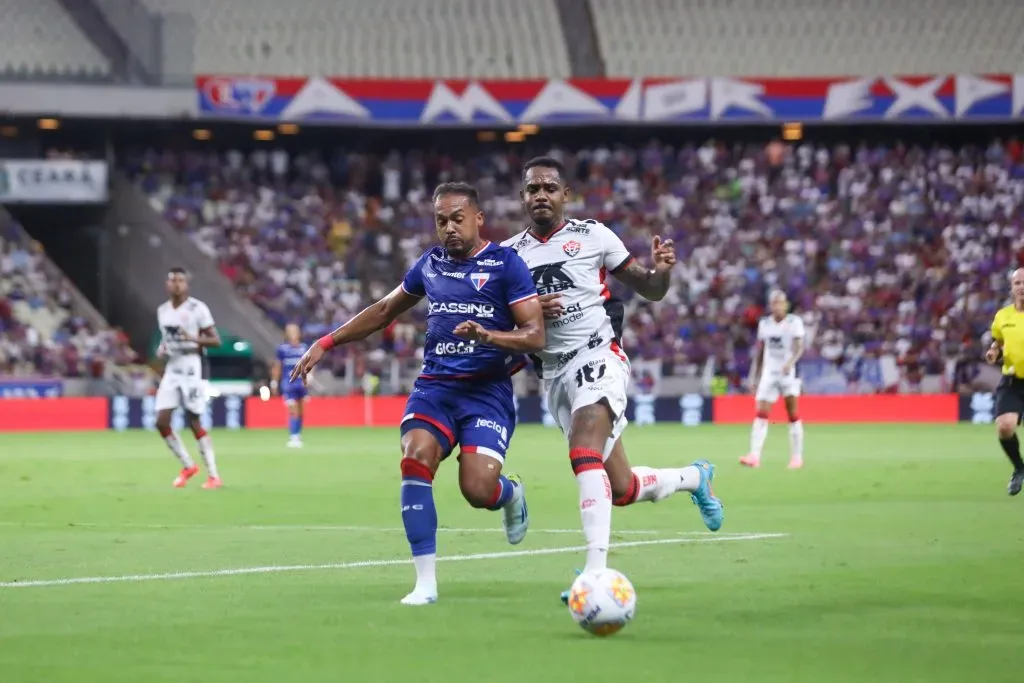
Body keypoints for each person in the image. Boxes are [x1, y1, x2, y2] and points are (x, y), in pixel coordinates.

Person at [291, 182, 545, 605]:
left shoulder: (506, 264)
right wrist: (326, 343)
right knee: (415, 456)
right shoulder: (429, 265)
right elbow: (384, 310)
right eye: (441, 220)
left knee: (478, 490)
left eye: (457, 219)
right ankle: (425, 583)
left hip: (486, 392)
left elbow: (535, 336)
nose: (448, 228)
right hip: (436, 388)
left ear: (478, 219)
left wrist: (490, 336)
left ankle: (510, 494)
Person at [500, 156, 723, 604]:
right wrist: (529, 311)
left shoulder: (593, 236)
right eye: (532, 189)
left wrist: (662, 270)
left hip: (598, 357)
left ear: (565, 195)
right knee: (621, 488)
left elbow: (650, 287)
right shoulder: (508, 255)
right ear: (523, 197)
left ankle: (595, 575)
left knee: (584, 451)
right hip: (555, 376)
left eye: (549, 187)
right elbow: (502, 319)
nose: (540, 195)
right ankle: (694, 478)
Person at [154, 267, 223, 490]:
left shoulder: (197, 308)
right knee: (161, 421)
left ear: (186, 284)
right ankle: (188, 466)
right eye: (172, 280)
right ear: (167, 284)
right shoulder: (162, 310)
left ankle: (213, 475)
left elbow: (216, 340)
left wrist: (192, 338)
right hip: (173, 367)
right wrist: (162, 348)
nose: (176, 284)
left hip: (192, 366)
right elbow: (168, 339)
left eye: (180, 281)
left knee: (193, 420)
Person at [741, 290, 806, 469]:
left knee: (792, 414)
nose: (777, 306)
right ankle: (754, 456)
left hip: (788, 374)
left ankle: (797, 457)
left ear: (786, 305)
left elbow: (800, 347)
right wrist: (754, 375)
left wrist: (790, 362)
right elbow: (760, 351)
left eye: (780, 303)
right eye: (774, 303)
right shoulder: (765, 324)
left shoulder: (794, 322)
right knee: (761, 413)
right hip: (769, 373)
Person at [985, 267, 1024, 495]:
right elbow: (997, 342)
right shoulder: (1003, 316)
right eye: (1018, 283)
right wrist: (993, 352)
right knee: (1005, 427)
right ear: (1012, 288)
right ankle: (1019, 468)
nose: (1022, 287)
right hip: (1013, 381)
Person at [271, 323, 309, 448]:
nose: (293, 334)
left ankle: (298, 433)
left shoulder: (304, 348)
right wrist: (274, 382)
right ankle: (293, 435)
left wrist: (311, 375)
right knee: (293, 409)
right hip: (289, 383)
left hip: (302, 383)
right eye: (290, 332)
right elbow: (278, 366)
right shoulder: (282, 349)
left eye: (295, 331)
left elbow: (311, 363)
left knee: (301, 410)